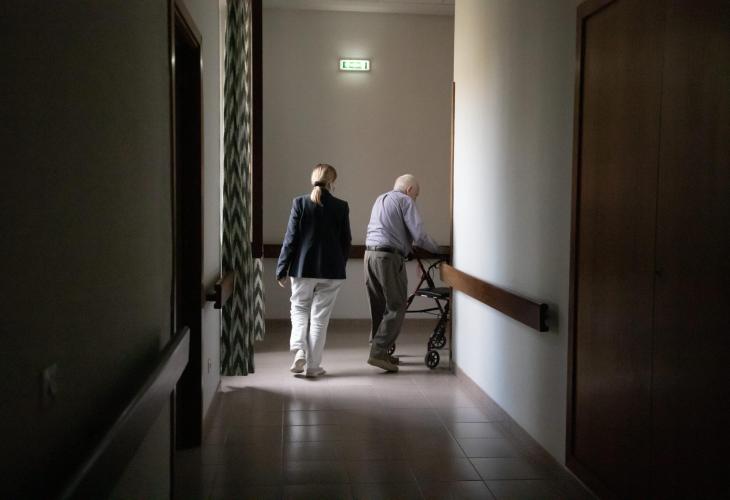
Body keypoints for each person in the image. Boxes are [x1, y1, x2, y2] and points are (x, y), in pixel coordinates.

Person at [276, 164, 351, 377]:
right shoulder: (341, 206)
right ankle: (313, 367)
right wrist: (340, 264)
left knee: (299, 309)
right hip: (332, 271)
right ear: (332, 182)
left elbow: (291, 239)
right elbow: (346, 241)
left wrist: (282, 268)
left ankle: (299, 350)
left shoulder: (300, 203)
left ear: (313, 180)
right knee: (319, 319)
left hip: (302, 268)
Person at [364, 174, 440, 372]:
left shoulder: (380, 199)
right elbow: (420, 236)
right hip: (388, 257)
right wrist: (439, 251)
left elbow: (392, 230)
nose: (415, 199)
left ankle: (379, 350)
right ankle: (378, 353)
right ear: (409, 190)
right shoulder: (406, 201)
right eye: (416, 195)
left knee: (378, 304)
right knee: (397, 305)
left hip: (369, 255)